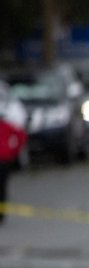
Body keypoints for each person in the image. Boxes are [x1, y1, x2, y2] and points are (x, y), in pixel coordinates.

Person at [0, 81, 28, 225]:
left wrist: (13, 152)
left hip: (3, 160)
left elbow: (21, 136)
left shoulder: (7, 126)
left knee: (2, 186)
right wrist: (14, 152)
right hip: (6, 159)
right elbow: (21, 137)